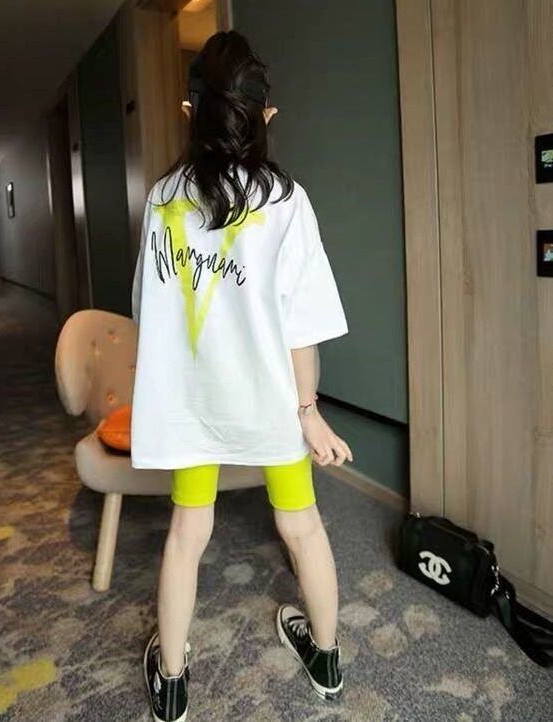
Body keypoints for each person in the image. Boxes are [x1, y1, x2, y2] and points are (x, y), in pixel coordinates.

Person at [130, 30, 352, 722]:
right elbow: (301, 326)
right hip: (270, 405)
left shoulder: (161, 200)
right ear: (267, 116)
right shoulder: (287, 201)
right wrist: (308, 410)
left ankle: (172, 681)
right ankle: (326, 658)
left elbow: (148, 310)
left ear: (189, 113)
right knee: (302, 526)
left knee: (186, 534)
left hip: (192, 406)